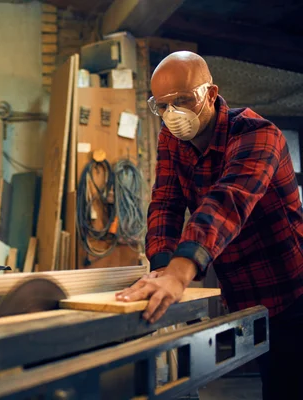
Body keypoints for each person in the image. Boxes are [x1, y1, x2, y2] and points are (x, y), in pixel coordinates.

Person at [115, 51, 303, 399]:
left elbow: (227, 201)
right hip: (243, 294)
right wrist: (160, 268)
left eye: (183, 101)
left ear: (211, 94)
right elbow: (166, 202)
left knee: (286, 386)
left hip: (291, 292)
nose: (173, 115)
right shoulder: (173, 139)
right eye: (163, 106)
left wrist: (179, 272)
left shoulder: (259, 135)